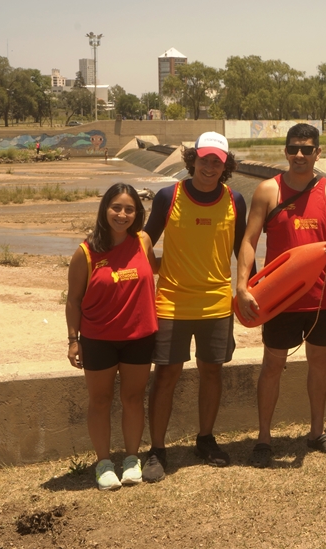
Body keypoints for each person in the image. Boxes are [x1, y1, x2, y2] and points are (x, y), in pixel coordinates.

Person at [236, 123, 326, 468]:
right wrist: (242, 287)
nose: (300, 154)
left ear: (318, 152)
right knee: (272, 365)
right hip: (279, 300)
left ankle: (317, 431)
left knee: (319, 362)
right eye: (294, 148)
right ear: (285, 152)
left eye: (307, 149)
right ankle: (264, 438)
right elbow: (249, 241)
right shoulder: (268, 191)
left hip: (322, 299)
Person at [140, 132, 248, 481]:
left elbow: (242, 250)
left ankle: (205, 438)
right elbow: (145, 239)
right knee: (167, 374)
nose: (209, 166)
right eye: (204, 159)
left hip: (217, 302)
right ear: (192, 159)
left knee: (211, 371)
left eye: (217, 160)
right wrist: (155, 268)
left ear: (226, 164)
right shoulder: (168, 197)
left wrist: (252, 288)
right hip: (171, 302)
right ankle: (157, 450)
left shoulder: (236, 201)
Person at [65, 183, 158, 491]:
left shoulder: (143, 241)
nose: (122, 214)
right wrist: (73, 339)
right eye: (116, 207)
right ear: (105, 209)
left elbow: (157, 269)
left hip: (139, 336)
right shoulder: (86, 251)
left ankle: (132, 459)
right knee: (100, 400)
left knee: (133, 398)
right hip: (98, 339)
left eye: (129, 209)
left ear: (137, 213)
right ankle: (103, 463)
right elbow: (73, 300)